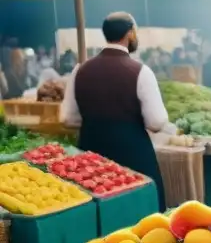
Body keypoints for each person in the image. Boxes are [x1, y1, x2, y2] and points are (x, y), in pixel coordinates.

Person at [60, 12, 168, 208]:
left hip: (90, 156)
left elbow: (68, 118)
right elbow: (156, 121)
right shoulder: (141, 71)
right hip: (133, 156)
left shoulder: (79, 70)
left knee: (100, 215)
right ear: (130, 34)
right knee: (139, 214)